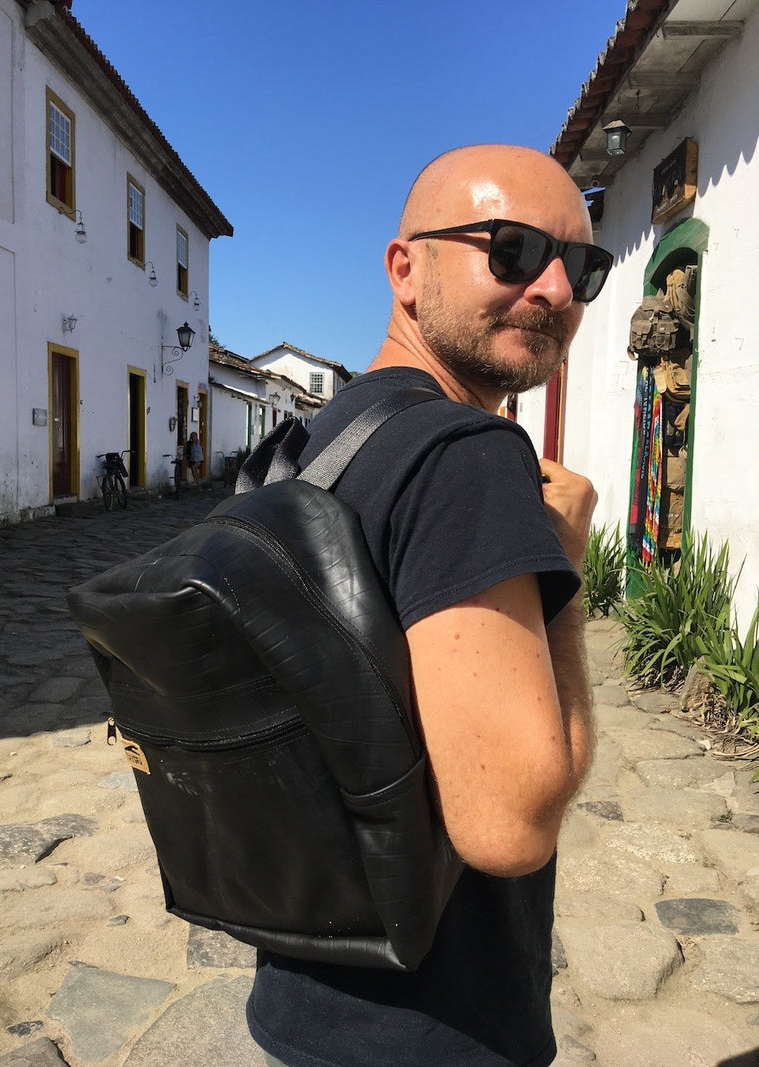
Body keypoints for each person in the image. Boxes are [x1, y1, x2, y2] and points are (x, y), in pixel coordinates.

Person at [246, 145, 609, 1066]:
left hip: (304, 992)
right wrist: (559, 569)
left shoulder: (314, 441)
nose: (557, 289)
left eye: (583, 264)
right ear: (407, 269)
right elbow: (510, 825)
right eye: (514, 249)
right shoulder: (468, 455)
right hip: (435, 1026)